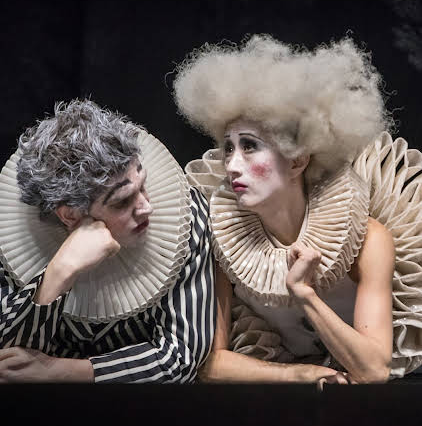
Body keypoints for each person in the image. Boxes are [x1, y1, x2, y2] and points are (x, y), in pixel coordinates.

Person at [173, 34, 422, 384]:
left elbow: (374, 370)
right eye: (228, 147)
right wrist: (299, 373)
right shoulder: (222, 240)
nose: (231, 165)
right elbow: (209, 363)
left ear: (297, 160)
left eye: (249, 146)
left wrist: (305, 294)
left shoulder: (370, 240)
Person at [0, 99, 215, 383]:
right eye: (122, 201)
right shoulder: (9, 245)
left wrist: (59, 372)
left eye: (142, 184)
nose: (147, 207)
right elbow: (9, 364)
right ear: (70, 215)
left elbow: (180, 359)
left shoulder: (188, 218)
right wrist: (59, 272)